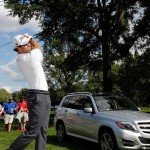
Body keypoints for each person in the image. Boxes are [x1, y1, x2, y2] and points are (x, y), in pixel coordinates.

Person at [7, 34, 51, 150]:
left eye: (28, 43)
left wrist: (28, 39)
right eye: (26, 44)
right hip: (38, 96)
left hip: (44, 95)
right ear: (19, 48)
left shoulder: (24, 57)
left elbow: (34, 47)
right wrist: (30, 37)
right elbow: (36, 46)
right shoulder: (29, 57)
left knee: (43, 130)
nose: (29, 45)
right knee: (33, 131)